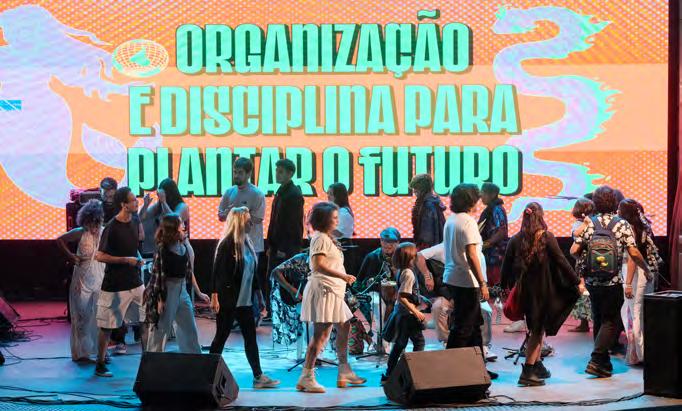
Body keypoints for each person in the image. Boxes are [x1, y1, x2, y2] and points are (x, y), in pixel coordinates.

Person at [570, 186, 653, 378]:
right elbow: (633, 252)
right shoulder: (621, 224)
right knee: (611, 321)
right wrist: (646, 269)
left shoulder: (589, 223)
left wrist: (586, 261)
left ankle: (603, 364)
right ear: (614, 203)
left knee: (598, 318)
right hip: (612, 281)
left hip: (592, 281)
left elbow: (573, 251)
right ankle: (596, 359)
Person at [501, 202, 580, 386]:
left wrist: (505, 288)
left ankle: (537, 365)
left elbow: (505, 268)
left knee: (536, 328)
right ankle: (527, 372)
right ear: (541, 216)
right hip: (543, 292)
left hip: (524, 292)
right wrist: (577, 282)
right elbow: (562, 261)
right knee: (537, 331)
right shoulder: (547, 237)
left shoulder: (515, 239)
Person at [297, 202, 366, 393]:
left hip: (332, 291)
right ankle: (307, 376)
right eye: (334, 218)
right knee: (321, 335)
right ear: (324, 220)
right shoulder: (320, 238)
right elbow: (317, 265)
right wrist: (343, 276)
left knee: (344, 325)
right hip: (324, 291)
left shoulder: (327, 238)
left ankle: (344, 370)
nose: (337, 221)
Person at [209, 207, 280, 389]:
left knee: (250, 338)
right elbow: (217, 273)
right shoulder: (226, 245)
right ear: (240, 222)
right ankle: (208, 374)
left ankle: (258, 376)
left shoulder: (247, 243)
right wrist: (215, 297)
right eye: (248, 221)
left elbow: (252, 275)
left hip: (245, 302)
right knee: (221, 337)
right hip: (229, 301)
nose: (251, 224)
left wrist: (259, 297)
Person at [442, 184, 497, 379]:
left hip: (454, 278)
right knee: (464, 327)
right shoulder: (468, 222)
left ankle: (478, 370)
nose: (479, 201)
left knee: (473, 326)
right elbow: (471, 254)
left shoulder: (451, 220)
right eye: (476, 198)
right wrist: (482, 283)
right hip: (466, 280)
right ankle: (449, 373)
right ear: (470, 200)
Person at [415, 242, 498, 361]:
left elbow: (481, 282)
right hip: (449, 292)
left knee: (485, 310)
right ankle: (446, 341)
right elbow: (419, 255)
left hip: (471, 293)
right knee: (438, 307)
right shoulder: (445, 247)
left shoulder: (478, 255)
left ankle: (483, 346)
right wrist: (427, 276)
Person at [94, 187, 146, 377]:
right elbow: (99, 256)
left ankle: (148, 361)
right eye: (133, 200)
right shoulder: (111, 227)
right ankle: (100, 364)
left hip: (135, 282)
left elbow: (136, 244)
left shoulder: (135, 220)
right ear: (123, 204)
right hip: (115, 285)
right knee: (107, 326)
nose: (136, 202)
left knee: (146, 320)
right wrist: (125, 260)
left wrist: (137, 258)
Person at [144, 214, 209, 353]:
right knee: (161, 329)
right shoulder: (163, 249)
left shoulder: (183, 246)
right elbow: (157, 277)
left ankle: (193, 358)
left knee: (189, 327)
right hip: (167, 292)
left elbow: (189, 272)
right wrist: (160, 299)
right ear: (173, 228)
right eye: (180, 223)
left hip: (182, 290)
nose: (183, 225)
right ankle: (153, 359)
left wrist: (199, 292)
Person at [218, 157, 267, 321]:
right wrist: (228, 213)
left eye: (240, 173)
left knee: (250, 281)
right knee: (233, 280)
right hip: (232, 244)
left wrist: (239, 215)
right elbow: (221, 215)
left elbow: (258, 218)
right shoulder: (229, 192)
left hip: (251, 245)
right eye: (235, 172)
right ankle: (236, 316)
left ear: (248, 173)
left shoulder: (257, 194)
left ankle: (253, 316)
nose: (236, 175)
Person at [56, 199, 105, 362]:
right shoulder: (80, 232)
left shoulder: (104, 232)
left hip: (100, 277)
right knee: (83, 316)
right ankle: (82, 352)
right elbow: (59, 240)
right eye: (91, 222)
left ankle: (99, 351)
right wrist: (71, 256)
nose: (94, 226)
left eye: (97, 222)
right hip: (82, 279)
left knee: (99, 316)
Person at [618, 199, 661, 365]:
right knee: (637, 313)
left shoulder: (630, 229)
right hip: (643, 271)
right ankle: (637, 352)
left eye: (619, 210)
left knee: (634, 313)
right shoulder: (642, 225)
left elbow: (632, 258)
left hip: (636, 273)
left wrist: (628, 283)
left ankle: (640, 354)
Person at [266, 158, 305, 319]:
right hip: (276, 245)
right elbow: (275, 221)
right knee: (273, 278)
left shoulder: (293, 194)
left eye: (280, 171)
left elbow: (292, 225)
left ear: (290, 173)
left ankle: (287, 314)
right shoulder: (281, 191)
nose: (277, 174)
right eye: (276, 171)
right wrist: (271, 245)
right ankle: (275, 312)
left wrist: (283, 248)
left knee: (284, 279)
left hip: (286, 247)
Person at [382, 243, 426, 383]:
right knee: (419, 342)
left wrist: (421, 298)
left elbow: (406, 292)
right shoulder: (408, 274)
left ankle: (389, 374)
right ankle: (415, 372)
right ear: (410, 257)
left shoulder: (402, 271)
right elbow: (402, 297)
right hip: (408, 315)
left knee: (400, 344)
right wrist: (416, 312)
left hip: (402, 314)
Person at [354, 227, 401, 342]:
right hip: (376, 292)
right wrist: (370, 282)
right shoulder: (372, 257)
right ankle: (381, 338)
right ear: (380, 241)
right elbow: (359, 282)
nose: (388, 245)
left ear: (398, 243)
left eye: (391, 242)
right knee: (377, 304)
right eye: (385, 241)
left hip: (399, 293)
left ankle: (393, 338)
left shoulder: (403, 256)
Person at [271, 252, 309, 358]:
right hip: (303, 299)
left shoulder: (329, 259)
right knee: (307, 324)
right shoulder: (302, 258)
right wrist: (291, 290)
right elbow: (275, 272)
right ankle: (309, 355)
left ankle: (315, 354)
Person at [569, 198, 595, 333]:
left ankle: (586, 321)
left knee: (584, 290)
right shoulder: (581, 224)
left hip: (584, 260)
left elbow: (576, 237)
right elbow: (576, 235)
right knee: (584, 290)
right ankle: (584, 321)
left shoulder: (584, 224)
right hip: (586, 260)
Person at [326, 183, 357, 275]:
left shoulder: (344, 213)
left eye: (331, 194)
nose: (328, 196)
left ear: (338, 196)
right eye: (328, 193)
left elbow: (339, 233)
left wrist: (323, 229)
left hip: (343, 248)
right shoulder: (336, 211)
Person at [409, 174, 446, 250]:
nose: (414, 191)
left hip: (429, 249)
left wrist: (421, 249)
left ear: (423, 189)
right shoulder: (432, 202)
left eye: (416, 188)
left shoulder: (427, 205)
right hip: (435, 248)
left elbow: (426, 235)